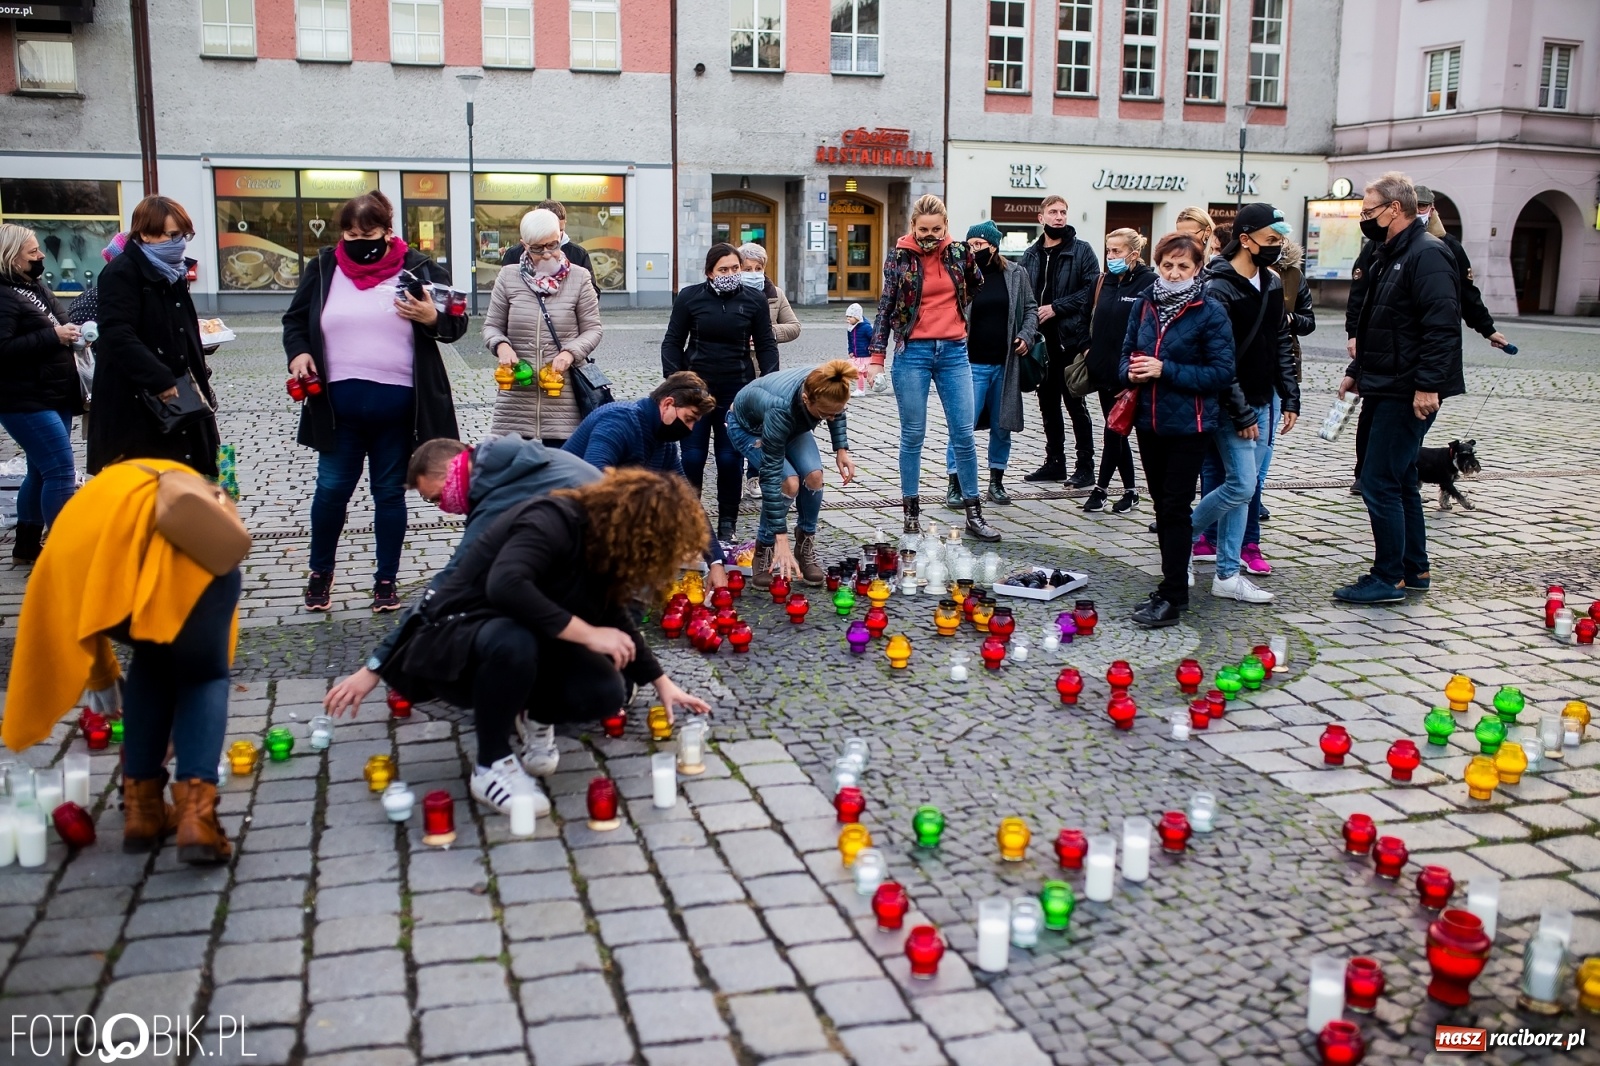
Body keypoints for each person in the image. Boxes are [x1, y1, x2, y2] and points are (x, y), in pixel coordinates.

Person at [323, 469, 713, 814]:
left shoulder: (601, 543)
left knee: (606, 690)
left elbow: (612, 613)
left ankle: (535, 715)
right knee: (514, 641)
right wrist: (589, 634)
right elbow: (506, 585)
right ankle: (490, 765)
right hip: (459, 642)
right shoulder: (550, 519)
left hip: (524, 639)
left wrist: (661, 682)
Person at [3, 458, 243, 864]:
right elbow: (204, 659)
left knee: (152, 656)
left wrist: (102, 677)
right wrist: (188, 719)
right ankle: (197, 819)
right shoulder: (201, 502)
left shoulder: (80, 516)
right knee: (203, 678)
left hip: (119, 583)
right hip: (191, 565)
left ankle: (142, 812)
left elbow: (69, 609)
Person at [284, 190, 465, 613]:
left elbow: (456, 323)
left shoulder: (417, 267)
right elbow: (294, 320)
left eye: (367, 235)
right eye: (349, 234)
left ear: (387, 231)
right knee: (330, 492)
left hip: (399, 412)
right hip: (337, 411)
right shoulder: (324, 267)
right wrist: (299, 353)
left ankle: (386, 580)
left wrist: (432, 318)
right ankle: (320, 573)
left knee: (388, 495)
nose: (357, 242)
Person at [1335, 172, 1463, 604]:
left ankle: (1388, 577)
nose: (1364, 219)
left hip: (1407, 389)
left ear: (1395, 209)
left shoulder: (1427, 254)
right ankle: (1414, 568)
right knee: (1403, 477)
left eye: (1369, 211)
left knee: (1379, 481)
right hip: (1384, 382)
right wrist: (1357, 369)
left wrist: (1428, 386)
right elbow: (1376, 320)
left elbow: (1441, 327)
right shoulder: (1387, 253)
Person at [1346, 184, 1510, 489]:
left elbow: (1456, 305)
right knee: (1371, 428)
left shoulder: (1440, 248)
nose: (1420, 211)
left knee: (1393, 467)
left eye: (1424, 207)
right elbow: (1364, 300)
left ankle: (1388, 478)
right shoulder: (1380, 246)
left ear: (1429, 209)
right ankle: (1367, 474)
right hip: (1383, 368)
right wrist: (1355, 347)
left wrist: (1486, 328)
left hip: (1412, 370)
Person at [864, 194, 999, 541]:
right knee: (913, 435)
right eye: (923, 230)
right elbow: (886, 306)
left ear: (945, 227)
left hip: (954, 352)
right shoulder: (899, 256)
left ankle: (974, 514)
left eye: (936, 230)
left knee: (963, 434)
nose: (929, 236)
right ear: (913, 226)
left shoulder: (959, 253)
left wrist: (954, 316)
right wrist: (876, 358)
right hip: (913, 353)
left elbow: (975, 283)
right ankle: (911, 515)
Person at [1119, 233, 1236, 628]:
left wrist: (1164, 369)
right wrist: (1131, 371)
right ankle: (1170, 587)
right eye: (1167, 265)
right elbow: (1125, 354)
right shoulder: (1144, 303)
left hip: (1191, 424)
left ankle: (1173, 594)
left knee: (1174, 507)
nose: (1173, 272)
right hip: (1149, 420)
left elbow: (1221, 373)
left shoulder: (1210, 310)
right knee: (1161, 506)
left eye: (1183, 266)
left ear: (1197, 268)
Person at [1186, 203, 1299, 605]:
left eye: (1280, 240)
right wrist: (1241, 411)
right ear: (1246, 240)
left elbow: (1281, 341)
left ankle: (1227, 573)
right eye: (1271, 239)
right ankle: (1180, 538)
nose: (1277, 246)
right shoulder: (1218, 287)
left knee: (1243, 489)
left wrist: (1290, 394)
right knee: (1241, 484)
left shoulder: (1271, 281)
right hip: (1229, 402)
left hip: (1264, 399)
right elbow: (1220, 357)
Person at [90, 196, 220, 481]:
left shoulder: (173, 271)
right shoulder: (122, 272)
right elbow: (116, 333)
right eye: (172, 235)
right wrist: (158, 378)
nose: (180, 243)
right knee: (150, 484)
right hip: (141, 400)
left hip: (181, 393)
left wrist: (199, 348)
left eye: (184, 235)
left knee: (185, 480)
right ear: (146, 234)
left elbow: (173, 326)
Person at [564, 372, 731, 586]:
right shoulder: (618, 420)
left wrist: (715, 561)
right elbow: (591, 484)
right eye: (689, 419)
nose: (690, 429)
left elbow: (687, 502)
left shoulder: (664, 445)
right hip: (562, 518)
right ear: (667, 404)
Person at [661, 243, 778, 542]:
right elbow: (672, 342)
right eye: (723, 270)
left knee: (729, 459)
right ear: (710, 272)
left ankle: (728, 524)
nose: (730, 274)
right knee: (692, 458)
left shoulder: (754, 299)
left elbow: (766, 345)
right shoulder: (690, 297)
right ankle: (689, 521)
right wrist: (676, 383)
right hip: (696, 391)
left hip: (736, 391)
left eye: (735, 268)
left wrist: (769, 384)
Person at [727, 361, 857, 586]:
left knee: (814, 477)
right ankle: (764, 547)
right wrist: (781, 538)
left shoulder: (828, 382)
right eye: (825, 414)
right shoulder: (781, 408)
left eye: (836, 413)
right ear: (806, 399)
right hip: (748, 428)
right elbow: (770, 475)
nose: (831, 418)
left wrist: (841, 449)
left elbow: (835, 408)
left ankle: (804, 546)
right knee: (788, 482)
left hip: (791, 423)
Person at [0, 223, 85, 562]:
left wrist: (74, 333)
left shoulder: (32, 286)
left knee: (40, 469)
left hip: (52, 392)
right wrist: (54, 336)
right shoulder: (4, 295)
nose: (41, 256)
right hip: (23, 398)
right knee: (60, 471)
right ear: (12, 257)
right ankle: (66, 554)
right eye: (33, 252)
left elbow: (57, 323)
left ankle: (26, 545)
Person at [486, 208, 604, 447]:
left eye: (552, 245)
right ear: (524, 245)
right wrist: (501, 346)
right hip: (517, 397)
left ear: (560, 237)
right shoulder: (508, 277)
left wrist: (569, 353)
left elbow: (593, 329)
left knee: (563, 467)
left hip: (564, 398)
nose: (547, 254)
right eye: (537, 248)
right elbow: (492, 326)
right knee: (516, 467)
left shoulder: (579, 278)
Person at [944, 221, 1037, 508]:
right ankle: (955, 484)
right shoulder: (962, 273)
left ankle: (996, 481)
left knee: (1002, 425)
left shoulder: (1015, 273)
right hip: (970, 364)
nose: (973, 249)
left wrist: (1026, 335)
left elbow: (1031, 308)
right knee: (962, 426)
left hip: (1006, 364)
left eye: (979, 245)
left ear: (993, 246)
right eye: (970, 244)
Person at [1018, 196, 1099, 488]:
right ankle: (1055, 462)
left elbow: (1092, 290)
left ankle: (1085, 466)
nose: (1059, 217)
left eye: (1063, 212)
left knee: (1075, 404)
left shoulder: (1081, 251)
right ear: (1041, 218)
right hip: (1042, 343)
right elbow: (1024, 295)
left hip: (1070, 341)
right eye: (1053, 212)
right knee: (1047, 403)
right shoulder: (1031, 254)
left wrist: (1056, 307)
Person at [1082, 228, 1155, 514]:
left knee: (1114, 430)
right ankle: (1130, 491)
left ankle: (1100, 489)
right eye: (1108, 250)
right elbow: (1084, 318)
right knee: (1117, 430)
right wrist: (1087, 350)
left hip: (1130, 374)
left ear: (1133, 254)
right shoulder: (1102, 281)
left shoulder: (1149, 283)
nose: (1111, 256)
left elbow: (1151, 329)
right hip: (1102, 371)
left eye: (1117, 251)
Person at [501, 199, 593, 277]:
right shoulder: (513, 254)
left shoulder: (578, 254)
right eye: (550, 231)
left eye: (561, 230)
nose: (558, 235)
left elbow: (591, 289)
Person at [844, 301, 874, 390]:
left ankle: (873, 384)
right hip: (857, 356)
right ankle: (861, 389)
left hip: (865, 354)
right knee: (858, 372)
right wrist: (850, 350)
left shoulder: (866, 327)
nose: (848, 319)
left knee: (865, 373)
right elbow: (850, 341)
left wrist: (871, 349)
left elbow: (873, 338)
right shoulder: (850, 328)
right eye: (847, 317)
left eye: (850, 317)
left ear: (857, 317)